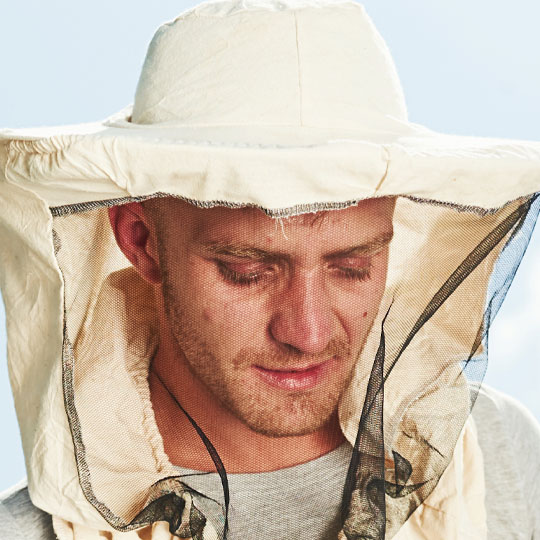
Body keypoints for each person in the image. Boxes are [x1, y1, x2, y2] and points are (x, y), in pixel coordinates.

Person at [1, 1, 540, 539]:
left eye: (352, 267)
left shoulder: (501, 451)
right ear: (142, 241)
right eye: (247, 270)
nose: (308, 333)